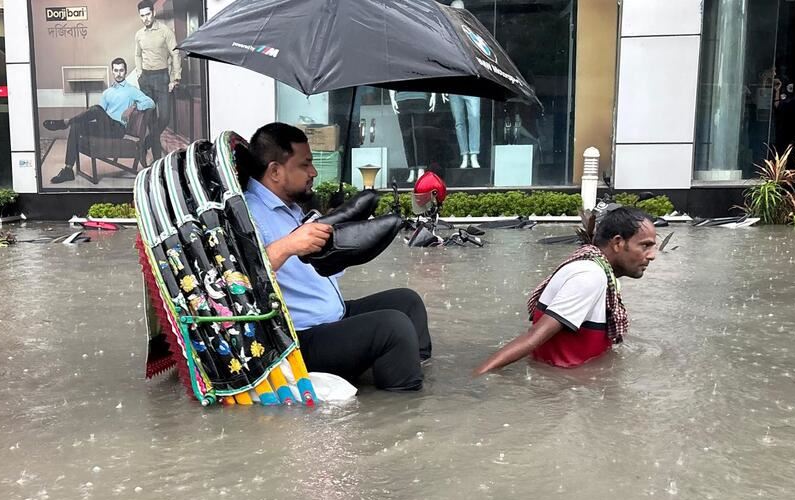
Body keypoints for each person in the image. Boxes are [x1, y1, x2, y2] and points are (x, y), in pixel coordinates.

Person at [243, 122, 432, 391]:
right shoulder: (249, 215)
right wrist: (288, 245)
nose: (314, 172)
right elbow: (240, 278)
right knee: (394, 327)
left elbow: (323, 268)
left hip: (334, 317)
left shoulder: (293, 208)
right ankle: (403, 411)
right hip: (301, 340)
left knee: (407, 302)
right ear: (275, 171)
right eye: (305, 164)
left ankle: (413, 371)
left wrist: (348, 230)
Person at [473, 206, 657, 374]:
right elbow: (533, 338)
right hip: (558, 391)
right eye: (645, 245)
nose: (652, 256)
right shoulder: (590, 276)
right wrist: (477, 378)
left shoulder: (598, 272)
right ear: (618, 243)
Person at [42, 58, 155, 185]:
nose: (118, 73)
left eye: (121, 70)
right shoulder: (108, 92)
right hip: (105, 127)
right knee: (77, 125)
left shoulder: (131, 90)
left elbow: (150, 103)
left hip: (117, 129)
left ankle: (65, 122)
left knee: (96, 109)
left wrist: (132, 107)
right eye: (116, 70)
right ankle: (68, 170)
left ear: (125, 71)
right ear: (112, 71)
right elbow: (99, 113)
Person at [134, 0, 180, 161]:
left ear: (153, 13)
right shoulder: (139, 35)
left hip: (162, 78)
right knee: (151, 121)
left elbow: (175, 54)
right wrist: (139, 73)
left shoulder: (165, 31)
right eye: (142, 16)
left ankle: (144, 144)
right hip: (146, 79)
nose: (145, 18)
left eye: (147, 14)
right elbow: (137, 55)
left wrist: (175, 78)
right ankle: (155, 159)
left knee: (165, 117)